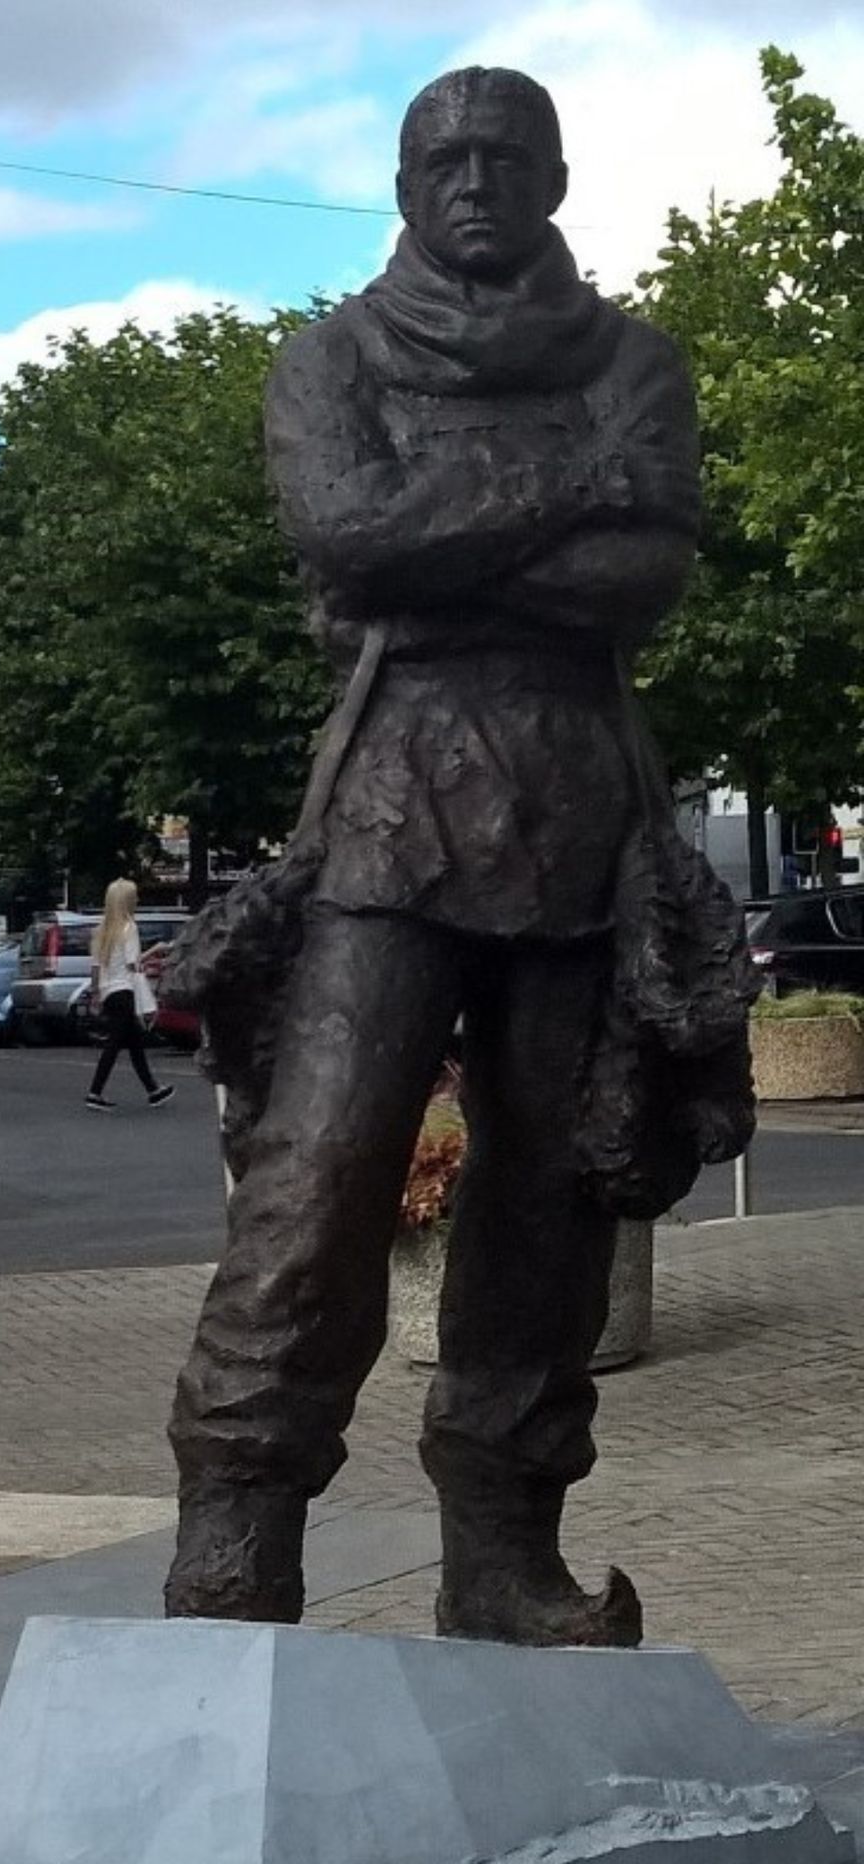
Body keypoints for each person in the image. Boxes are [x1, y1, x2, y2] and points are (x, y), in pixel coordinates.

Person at [164, 66, 755, 1642]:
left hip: (584, 813)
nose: (476, 180)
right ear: (406, 183)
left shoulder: (637, 361)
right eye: (446, 158)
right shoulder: (332, 358)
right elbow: (344, 539)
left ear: (555, 178)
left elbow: (640, 576)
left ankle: (501, 1552)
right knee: (319, 1175)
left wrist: (434, 549)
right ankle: (237, 1534)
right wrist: (553, 497)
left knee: (551, 1200)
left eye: (508, 157)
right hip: (390, 806)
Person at [85, 878, 174, 1111]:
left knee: (134, 1042)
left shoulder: (101, 931)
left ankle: (153, 1090)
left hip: (108, 992)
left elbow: (96, 967)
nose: (137, 900)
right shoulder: (129, 927)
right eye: (134, 896)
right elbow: (133, 965)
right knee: (115, 1044)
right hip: (124, 990)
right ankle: (95, 1092)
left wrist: (95, 993)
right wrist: (155, 950)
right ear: (127, 901)